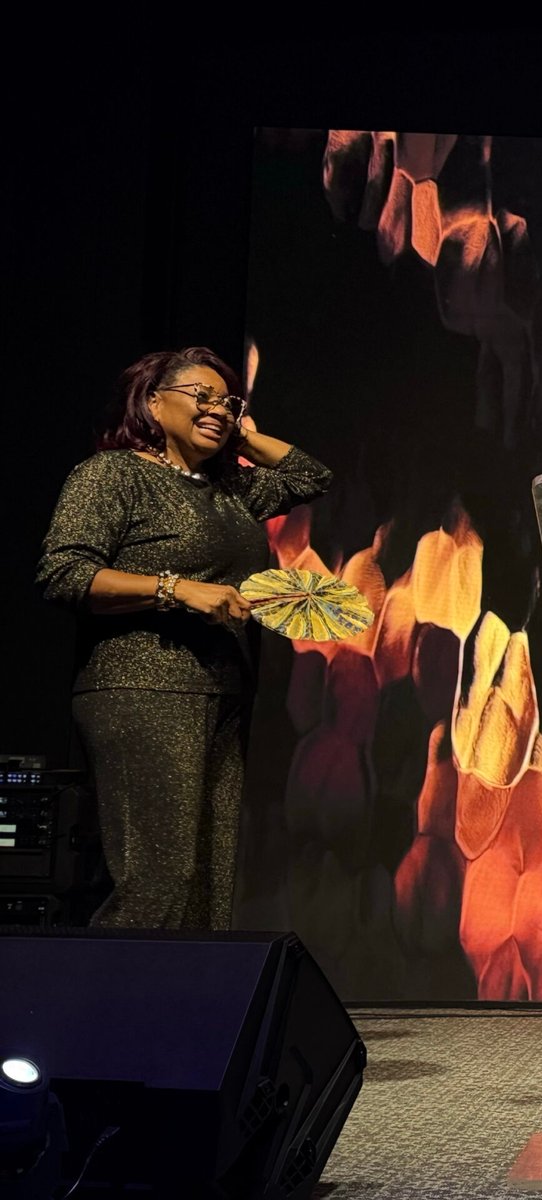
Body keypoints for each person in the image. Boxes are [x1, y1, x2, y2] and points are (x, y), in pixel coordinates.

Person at [36, 347, 332, 931]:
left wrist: (239, 436)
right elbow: (63, 574)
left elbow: (310, 476)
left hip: (221, 695)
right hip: (142, 687)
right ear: (152, 403)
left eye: (228, 401)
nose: (217, 409)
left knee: (207, 884)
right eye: (202, 396)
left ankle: (184, 993)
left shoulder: (229, 490)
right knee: (158, 881)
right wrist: (176, 589)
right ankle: (105, 991)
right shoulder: (114, 475)